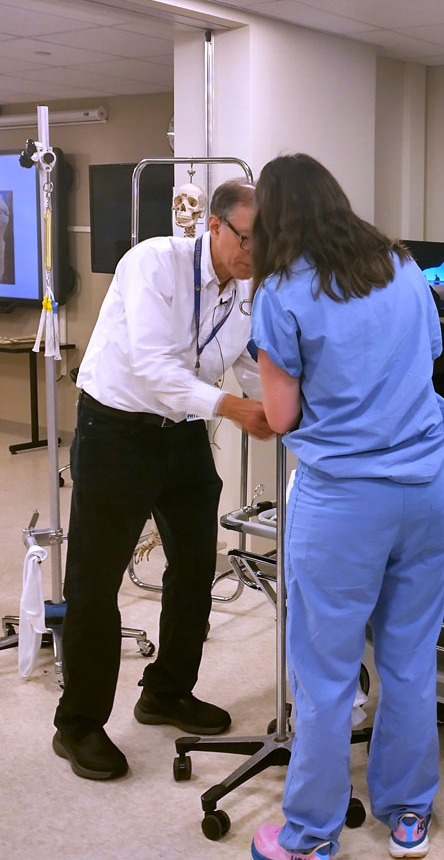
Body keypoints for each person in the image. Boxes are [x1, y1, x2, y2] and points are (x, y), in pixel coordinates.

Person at [249, 154, 444, 860]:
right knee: (408, 661)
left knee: (326, 674)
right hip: (425, 492)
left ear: (275, 217)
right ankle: (407, 817)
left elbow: (280, 416)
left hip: (343, 503)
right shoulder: (400, 268)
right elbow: (427, 358)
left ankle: (310, 834)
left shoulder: (280, 292)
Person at [53, 179, 273, 781]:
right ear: (213, 226)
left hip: (181, 433)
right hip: (117, 428)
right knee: (95, 583)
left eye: (266, 242)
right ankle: (77, 726)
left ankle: (166, 692)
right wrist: (233, 409)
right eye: (246, 238)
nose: (253, 253)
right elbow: (152, 368)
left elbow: (253, 362)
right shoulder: (153, 263)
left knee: (199, 564)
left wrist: (284, 409)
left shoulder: (247, 288)